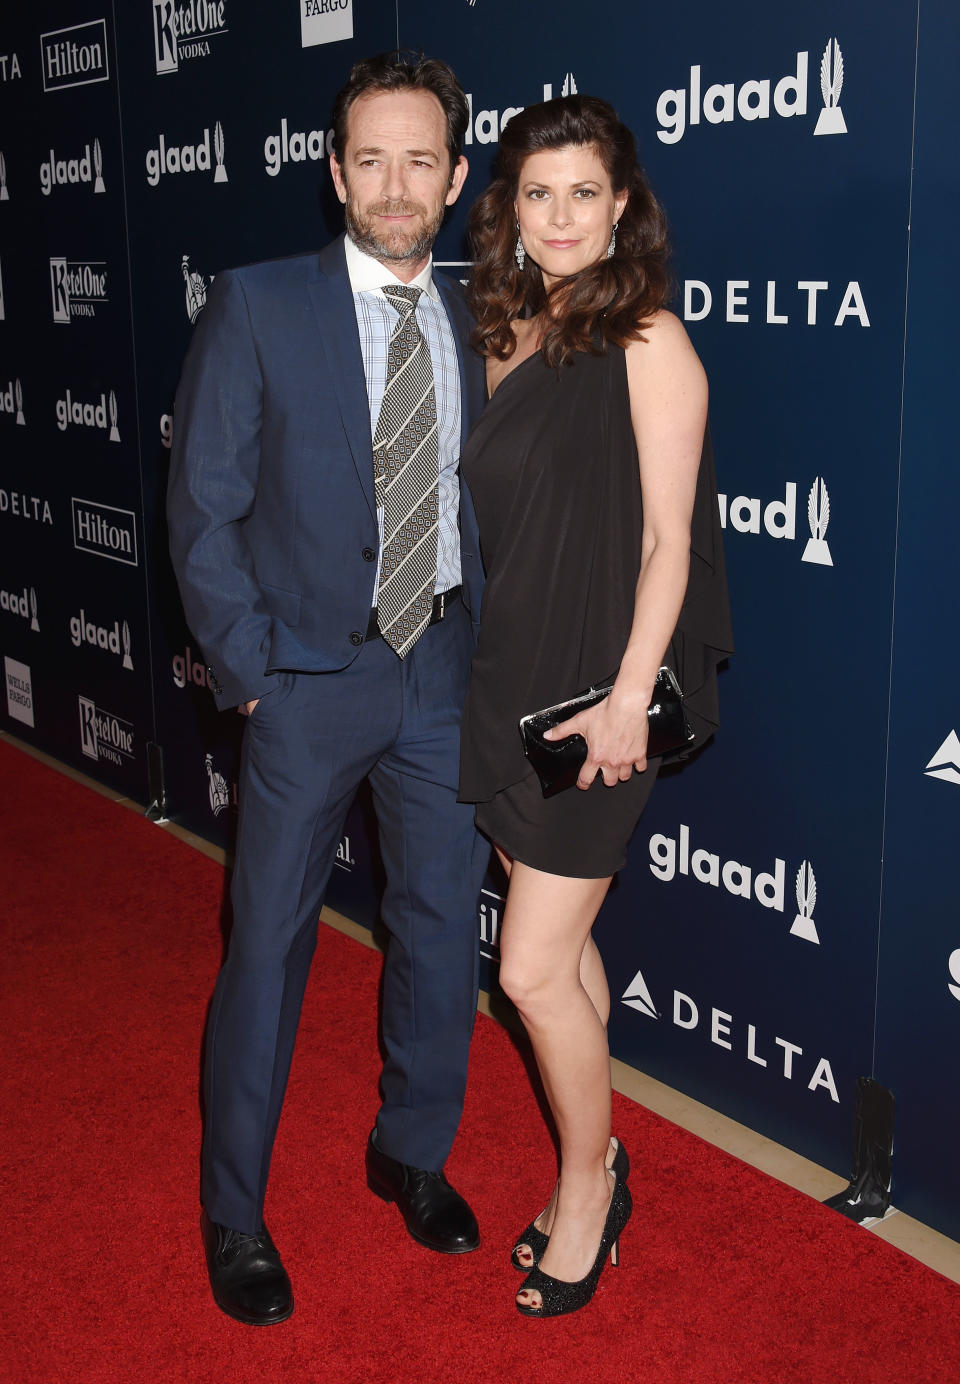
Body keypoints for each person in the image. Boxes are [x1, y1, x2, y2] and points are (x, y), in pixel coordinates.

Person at [167, 52, 491, 1326]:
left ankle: (411, 1148)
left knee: (432, 930)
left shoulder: (484, 318)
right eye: (373, 159)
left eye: (423, 160)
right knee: (267, 949)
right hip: (306, 680)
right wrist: (250, 675)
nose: (397, 186)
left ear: (458, 178)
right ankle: (233, 1208)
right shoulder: (255, 307)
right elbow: (201, 512)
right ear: (335, 173)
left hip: (445, 671)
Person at [458, 94, 733, 1317]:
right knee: (564, 958)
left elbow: (672, 543)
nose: (561, 217)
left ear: (623, 206)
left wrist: (629, 698)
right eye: (537, 193)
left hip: (593, 696)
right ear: (508, 209)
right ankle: (600, 1155)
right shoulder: (504, 324)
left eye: (585, 193)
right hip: (509, 675)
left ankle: (588, 1183)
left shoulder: (650, 340)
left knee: (525, 969)